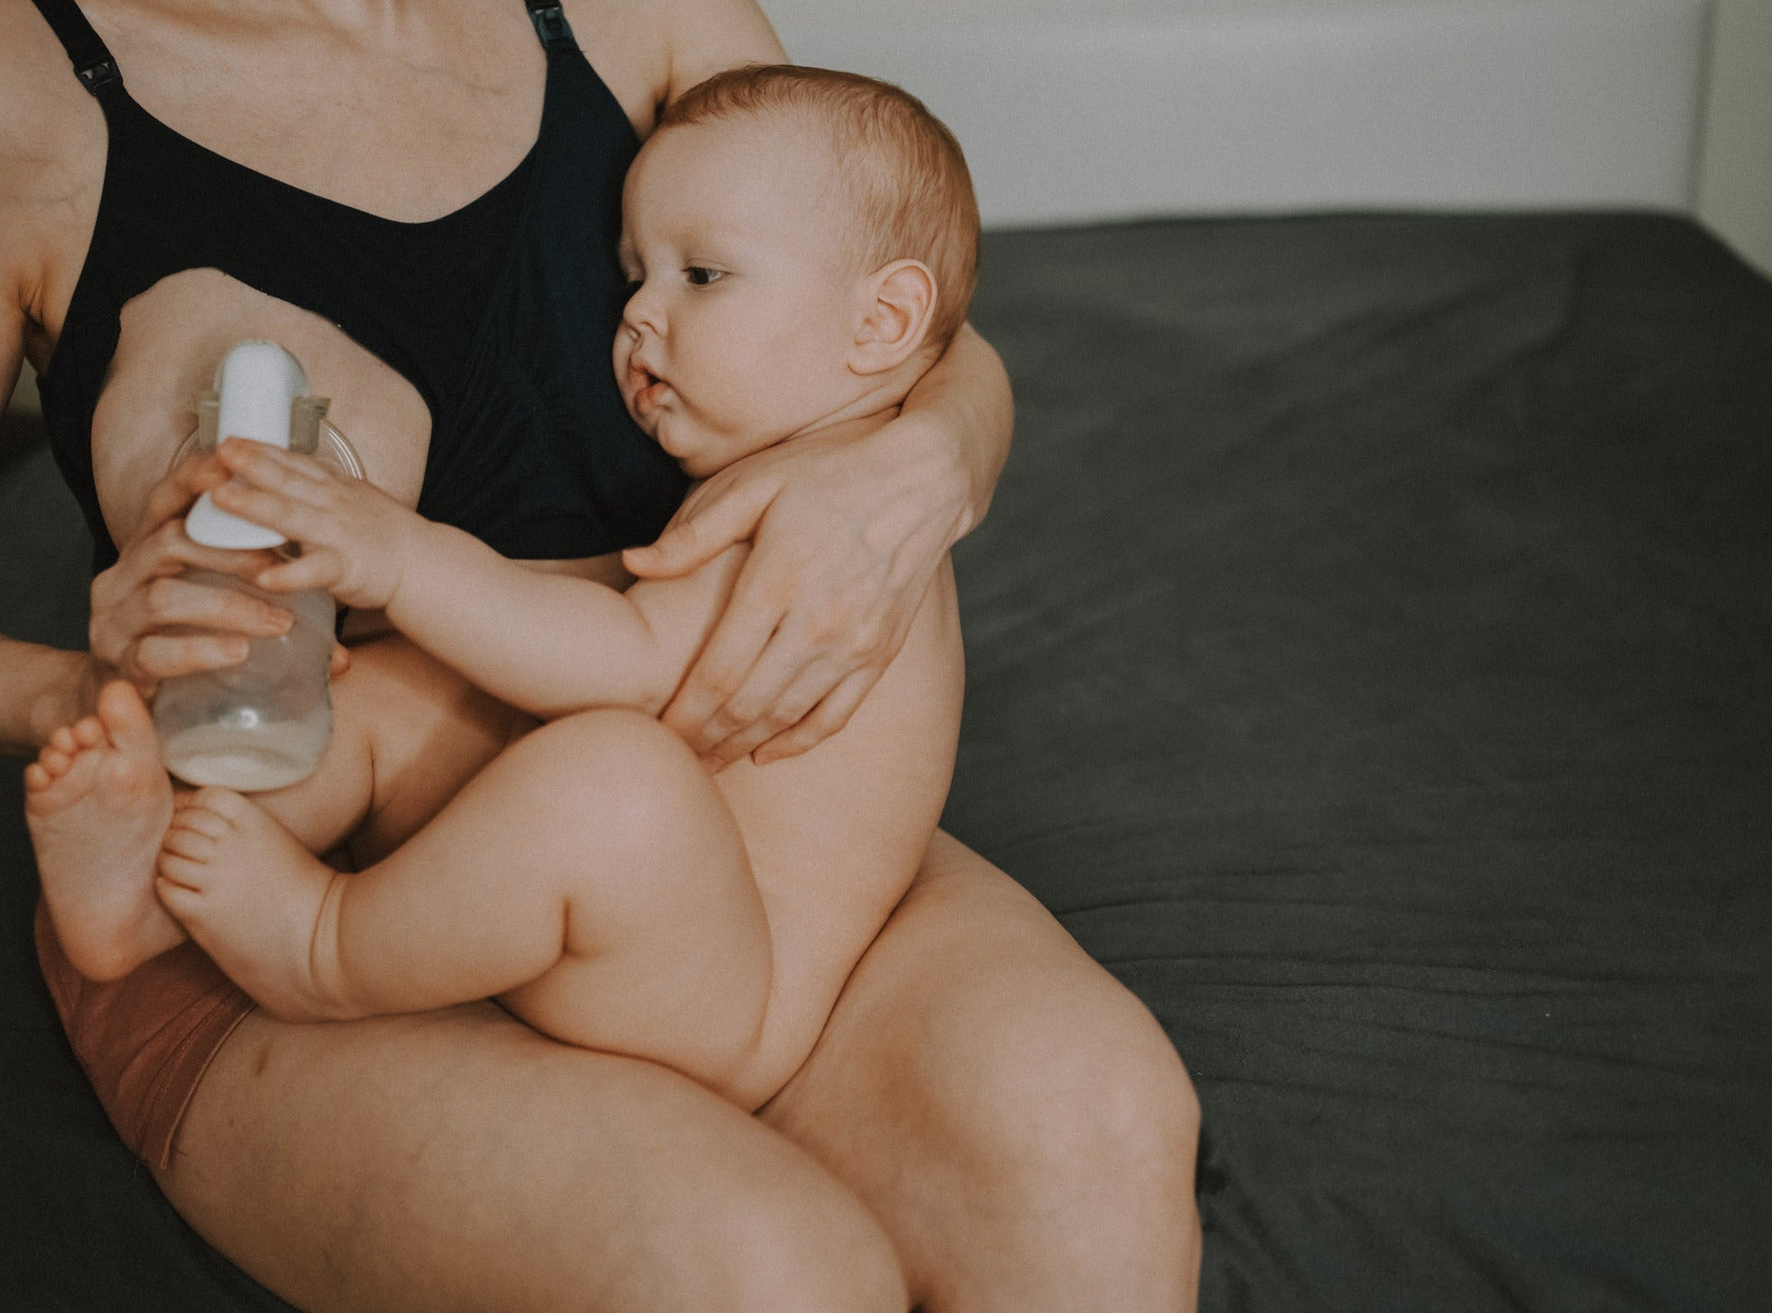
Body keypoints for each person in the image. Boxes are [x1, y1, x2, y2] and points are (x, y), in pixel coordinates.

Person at [1, 0, 1202, 1308]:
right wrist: (77, 689)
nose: (637, 324)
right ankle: (213, 916)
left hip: (701, 853)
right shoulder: (25, 88)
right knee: (765, 1278)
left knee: (1092, 1117)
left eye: (680, 279)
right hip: (258, 846)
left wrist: (931, 461)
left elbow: (890, 270)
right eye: (632, 276)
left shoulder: (642, 13)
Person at [31, 64, 977, 1116]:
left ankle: (324, 946)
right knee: (401, 688)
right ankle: (140, 896)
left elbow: (619, 654)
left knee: (614, 777)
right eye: (634, 278)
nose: (640, 317)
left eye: (701, 276)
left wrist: (403, 558)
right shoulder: (792, 475)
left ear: (884, 320)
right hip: (659, 901)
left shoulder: (833, 522)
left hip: (722, 993)